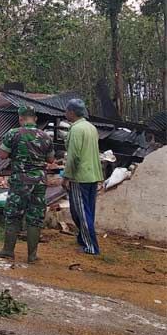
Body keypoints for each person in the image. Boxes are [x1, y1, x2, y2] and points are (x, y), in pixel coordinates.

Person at [0, 106, 55, 263]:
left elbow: (2, 155)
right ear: (34, 119)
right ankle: (32, 256)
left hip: (20, 181)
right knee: (35, 217)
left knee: (13, 215)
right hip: (39, 182)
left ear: (20, 118)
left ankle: (8, 251)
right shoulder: (46, 136)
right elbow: (51, 160)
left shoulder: (13, 134)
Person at [63, 98, 103, 255]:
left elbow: (74, 156)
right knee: (88, 210)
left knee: (81, 212)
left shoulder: (76, 129)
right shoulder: (91, 128)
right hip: (93, 174)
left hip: (80, 177)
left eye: (66, 111)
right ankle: (82, 238)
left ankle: (91, 246)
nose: (65, 113)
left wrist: (67, 176)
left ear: (72, 112)